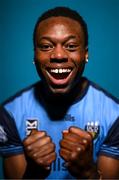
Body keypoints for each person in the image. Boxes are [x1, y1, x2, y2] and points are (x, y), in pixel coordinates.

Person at [0, 6, 119, 179]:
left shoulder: (114, 114)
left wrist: (88, 173)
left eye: (70, 46)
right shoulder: (10, 113)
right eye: (46, 46)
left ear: (85, 54)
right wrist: (34, 173)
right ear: (35, 55)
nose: (58, 55)